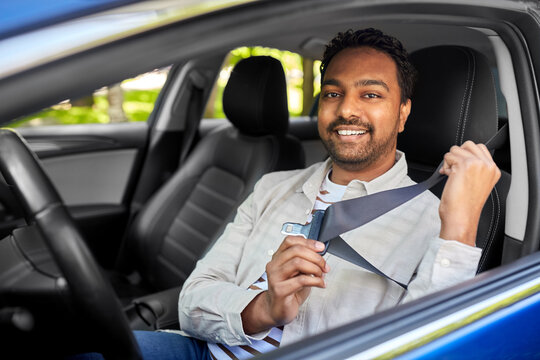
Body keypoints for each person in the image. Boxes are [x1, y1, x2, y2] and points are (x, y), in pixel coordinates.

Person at [70, 28, 501, 360]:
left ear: (403, 112)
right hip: (205, 350)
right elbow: (194, 297)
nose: (347, 109)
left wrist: (461, 224)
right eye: (333, 93)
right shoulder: (274, 186)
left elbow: (429, 345)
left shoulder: (440, 220)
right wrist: (264, 309)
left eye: (371, 94)